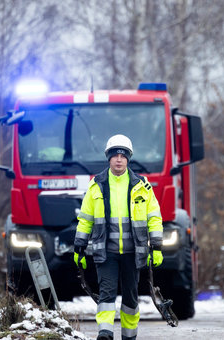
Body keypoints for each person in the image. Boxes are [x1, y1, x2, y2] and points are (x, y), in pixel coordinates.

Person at [73, 134, 164, 340]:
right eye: (115, 155)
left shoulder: (142, 186)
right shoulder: (97, 185)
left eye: (123, 155)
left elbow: (154, 218)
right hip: (106, 252)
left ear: (128, 158)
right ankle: (105, 332)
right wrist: (79, 246)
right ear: (109, 158)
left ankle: (128, 336)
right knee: (106, 294)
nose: (119, 159)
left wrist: (156, 247)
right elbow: (85, 219)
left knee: (131, 298)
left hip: (134, 252)